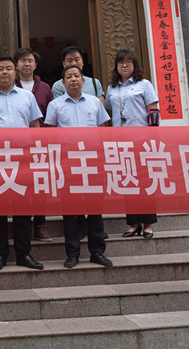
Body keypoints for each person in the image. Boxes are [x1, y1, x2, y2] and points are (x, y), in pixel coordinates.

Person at [0, 56, 44, 272]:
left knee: (23, 209)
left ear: (15, 73)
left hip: (22, 159)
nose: (4, 72)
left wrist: (36, 154)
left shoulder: (27, 96)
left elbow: (35, 126)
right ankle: (0, 255)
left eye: (8, 68)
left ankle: (24, 254)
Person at [44, 65, 113, 268]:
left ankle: (97, 251)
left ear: (83, 80)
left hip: (92, 162)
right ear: (63, 83)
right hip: (69, 163)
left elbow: (102, 130)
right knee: (71, 211)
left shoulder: (95, 102)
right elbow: (50, 134)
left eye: (76, 76)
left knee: (95, 209)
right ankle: (72, 254)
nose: (73, 79)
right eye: (69, 77)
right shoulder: (55, 105)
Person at [106, 49, 159, 238]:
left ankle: (148, 224)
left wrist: (153, 135)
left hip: (141, 140)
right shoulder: (112, 88)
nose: (124, 65)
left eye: (128, 62)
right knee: (129, 181)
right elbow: (110, 110)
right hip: (121, 142)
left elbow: (153, 110)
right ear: (116, 66)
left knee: (145, 182)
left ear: (134, 65)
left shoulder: (144, 84)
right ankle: (133, 223)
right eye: (121, 62)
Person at [13, 47, 54, 242]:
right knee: (16, 184)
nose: (26, 64)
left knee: (38, 186)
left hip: (40, 143)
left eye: (30, 60)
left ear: (35, 65)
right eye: (22, 60)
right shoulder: (9, 85)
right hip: (15, 145)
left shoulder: (45, 88)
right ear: (17, 65)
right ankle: (19, 227)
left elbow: (51, 115)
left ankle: (39, 226)